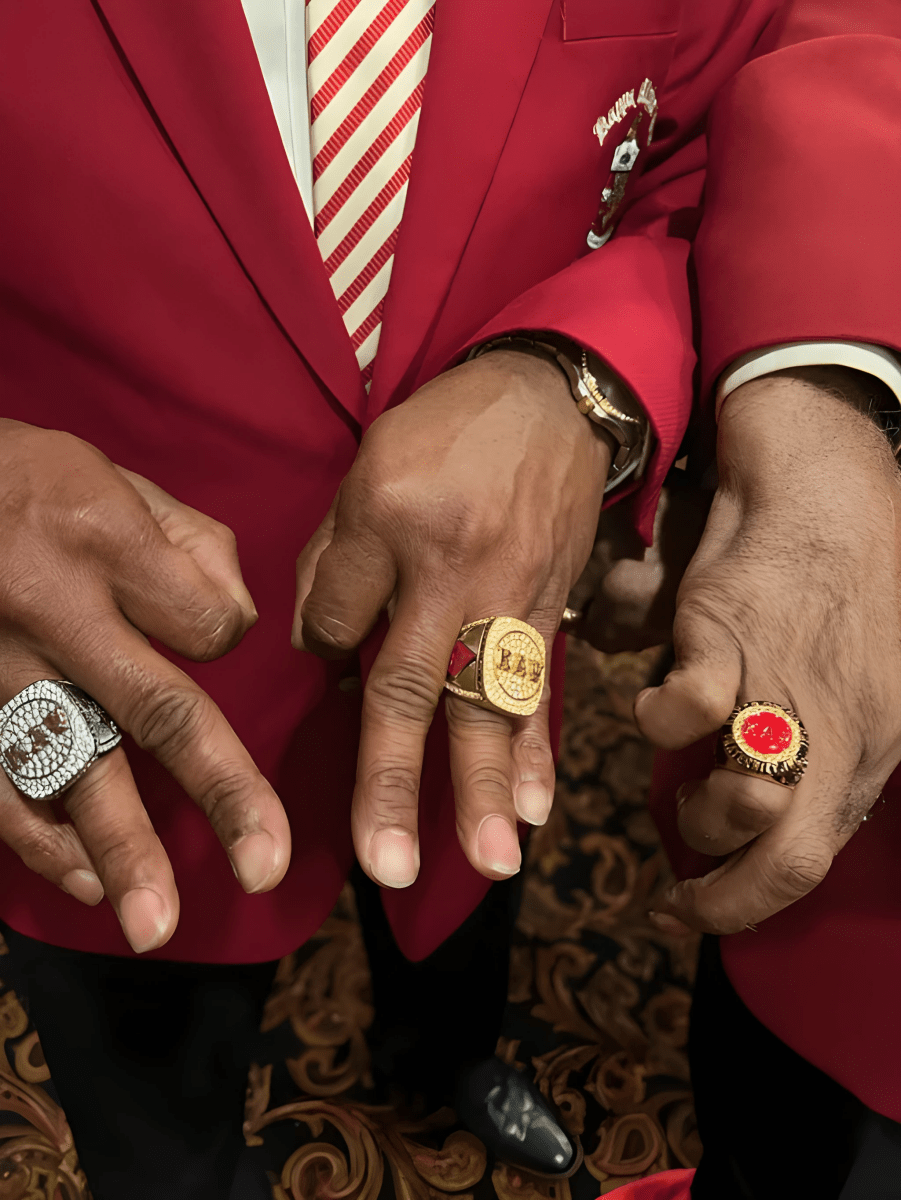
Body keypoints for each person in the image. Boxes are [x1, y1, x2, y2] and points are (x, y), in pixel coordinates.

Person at [0, 1, 896, 1197]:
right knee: (156, 1083)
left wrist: (583, 371)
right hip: (102, 668)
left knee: (459, 915)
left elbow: (730, 127)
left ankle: (443, 1066)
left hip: (499, 630)